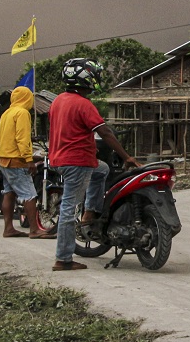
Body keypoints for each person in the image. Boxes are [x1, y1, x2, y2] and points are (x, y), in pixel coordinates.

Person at [48, 58, 140, 271]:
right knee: (69, 209)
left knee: (103, 170)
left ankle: (90, 211)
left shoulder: (59, 100)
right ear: (87, 78)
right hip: (77, 162)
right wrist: (126, 156)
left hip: (62, 159)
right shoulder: (83, 104)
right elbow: (105, 132)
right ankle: (63, 258)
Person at [0, 86, 52, 239]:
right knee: (30, 195)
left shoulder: (6, 112)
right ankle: (34, 230)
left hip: (3, 159)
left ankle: (8, 228)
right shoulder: (22, 113)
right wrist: (29, 160)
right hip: (17, 161)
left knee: (9, 193)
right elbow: (22, 138)